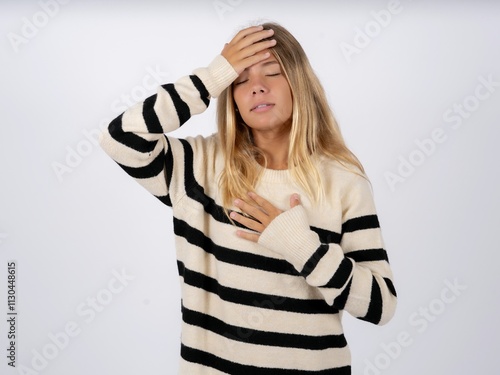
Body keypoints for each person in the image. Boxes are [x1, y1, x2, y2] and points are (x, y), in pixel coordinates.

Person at [100, 22, 397, 374]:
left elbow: (380, 306)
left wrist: (302, 247)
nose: (257, 87)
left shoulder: (343, 181)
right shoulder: (198, 167)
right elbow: (120, 137)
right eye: (240, 80)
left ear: (298, 84)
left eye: (273, 72)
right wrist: (213, 76)